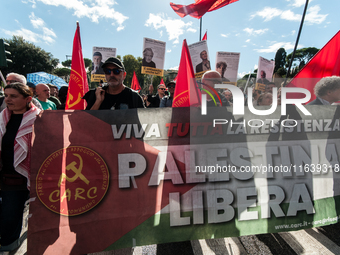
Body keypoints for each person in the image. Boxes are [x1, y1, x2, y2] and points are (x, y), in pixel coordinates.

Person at [0, 82, 41, 252]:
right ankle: (8, 245)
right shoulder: (2, 117)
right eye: (6, 95)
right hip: (6, 175)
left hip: (29, 178)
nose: (7, 99)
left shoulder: (40, 119)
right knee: (7, 215)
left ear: (28, 99)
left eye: (13, 96)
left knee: (17, 216)